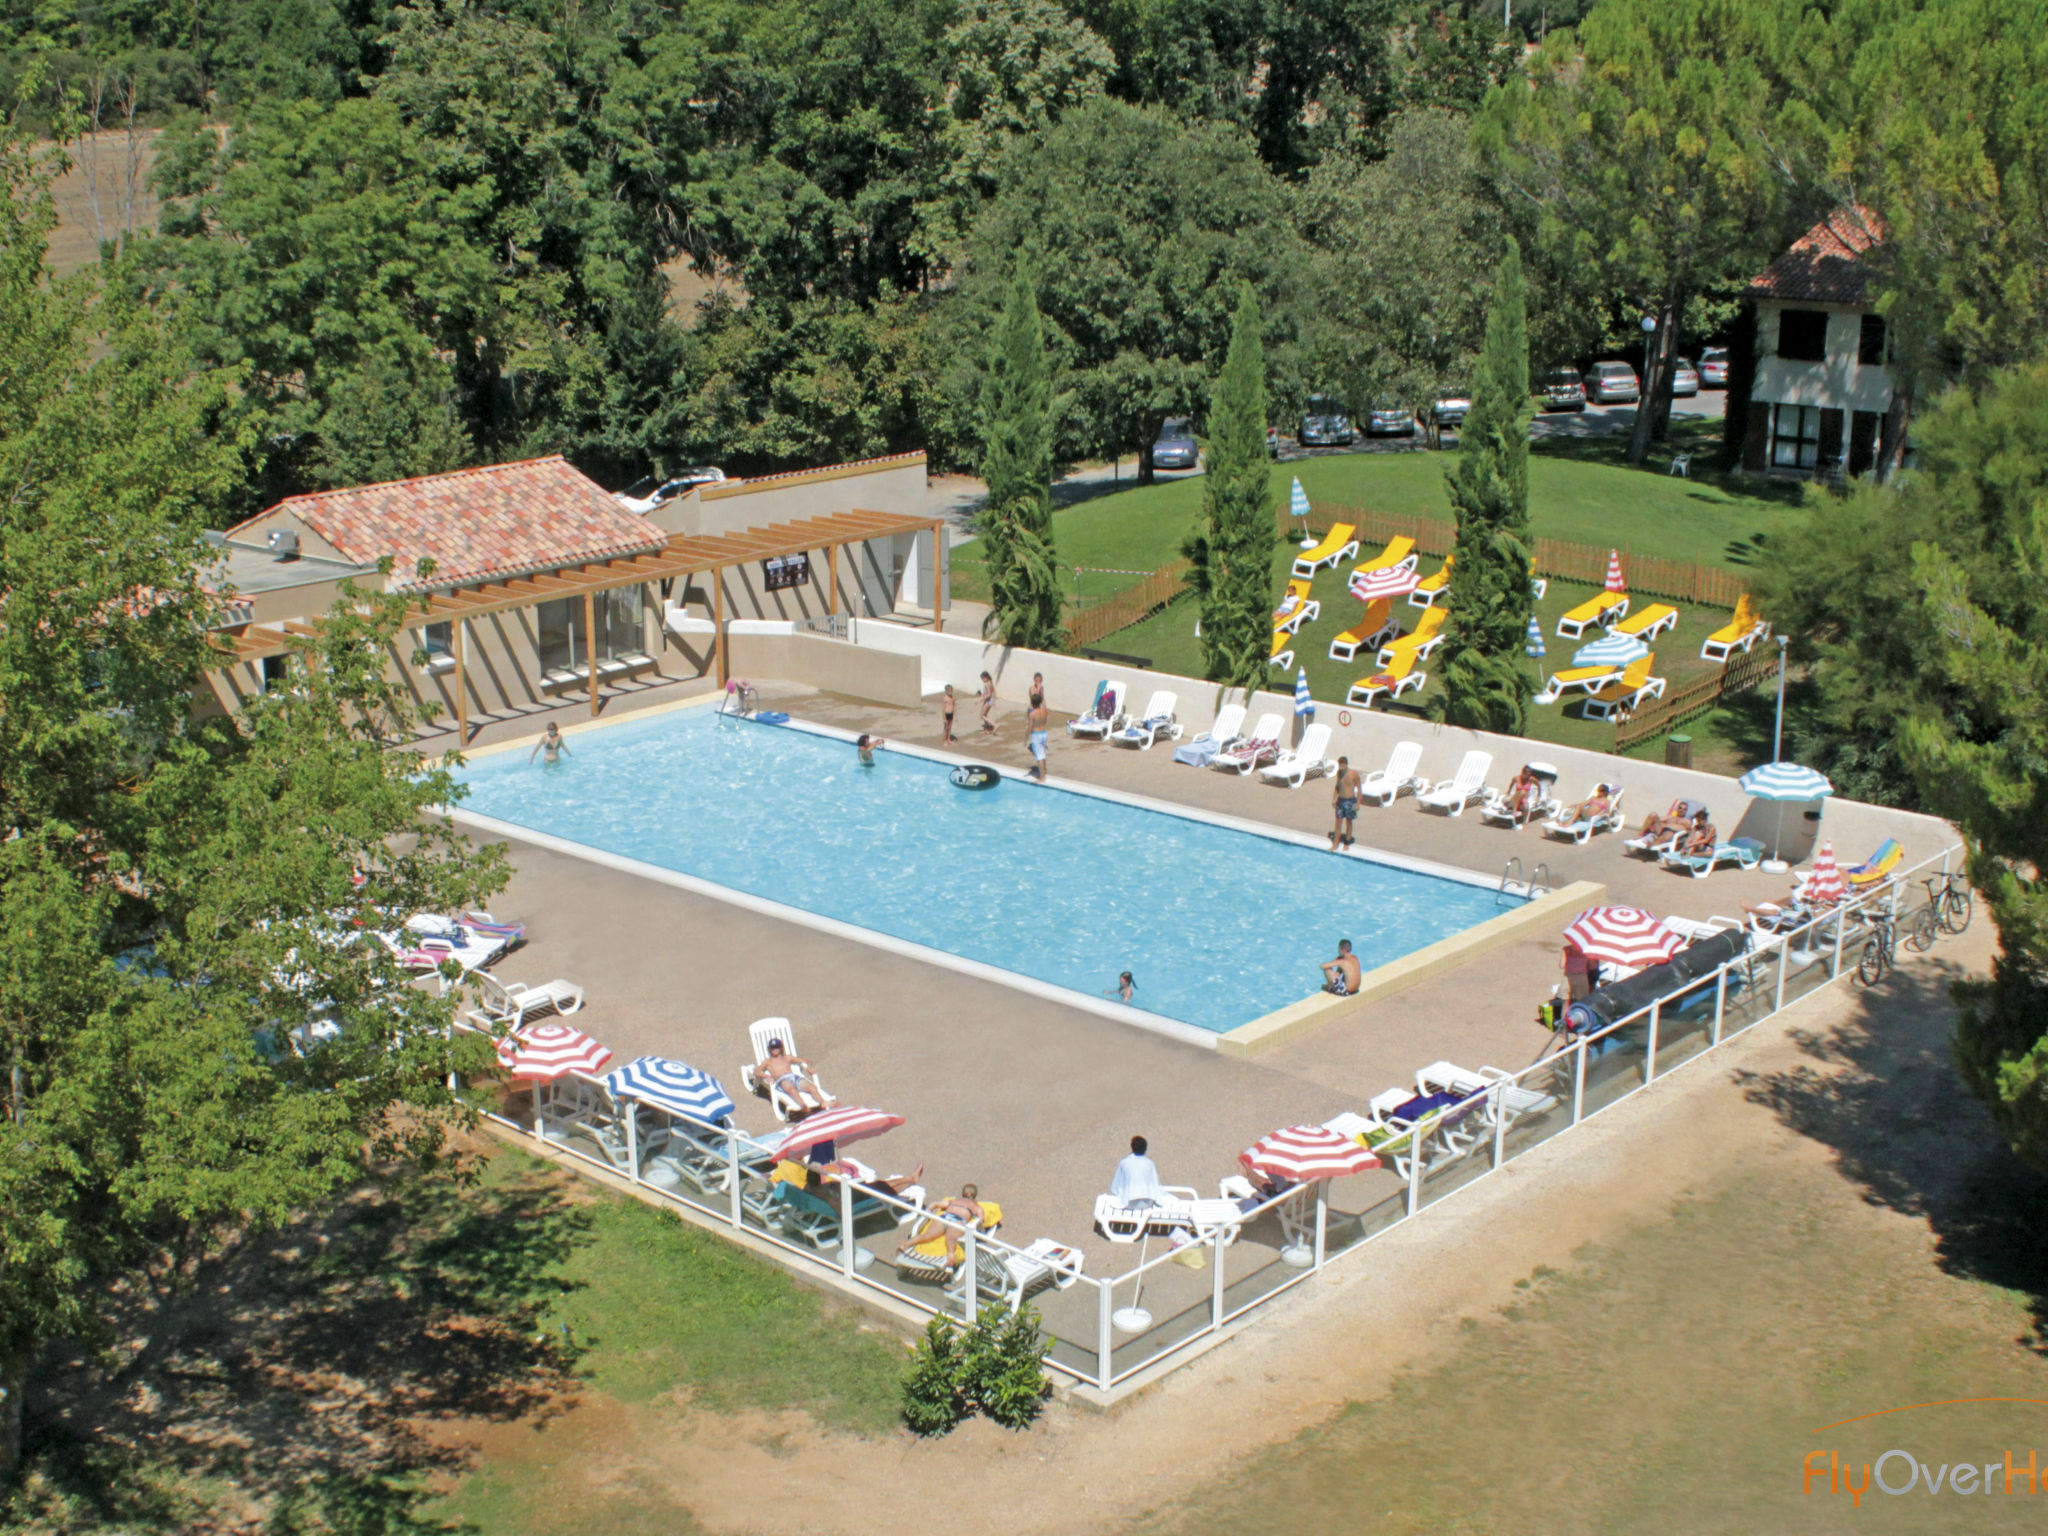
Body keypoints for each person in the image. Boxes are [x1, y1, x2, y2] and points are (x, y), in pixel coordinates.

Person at [897, 1183, 987, 1267]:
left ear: (963, 1193)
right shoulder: (976, 1206)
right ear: (975, 1195)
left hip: (944, 1217)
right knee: (951, 1238)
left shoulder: (954, 1201)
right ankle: (951, 1254)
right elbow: (980, 1220)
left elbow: (935, 1204)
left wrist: (928, 1211)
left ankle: (906, 1244)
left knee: (927, 1235)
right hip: (958, 1221)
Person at [752, 1037, 828, 1112]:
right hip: (782, 1080)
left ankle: (823, 1103)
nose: (775, 1049)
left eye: (777, 1047)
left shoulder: (787, 1057)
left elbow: (807, 1060)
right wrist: (767, 1076)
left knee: (812, 1087)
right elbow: (756, 1071)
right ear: (770, 1049)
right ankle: (804, 1106)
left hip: (794, 1077)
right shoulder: (768, 1062)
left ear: (781, 1048)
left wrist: (809, 1067)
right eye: (773, 1047)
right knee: (791, 1088)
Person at [1109, 1135, 1164, 1210]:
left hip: (1129, 1202)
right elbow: (1155, 1184)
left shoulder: (1124, 1162)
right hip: (1147, 1203)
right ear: (1145, 1148)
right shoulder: (1149, 1163)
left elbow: (1116, 1186)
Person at [1328, 756, 1362, 850]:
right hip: (1340, 801)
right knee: (1338, 823)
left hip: (1350, 801)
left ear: (1346, 765)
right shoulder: (1339, 773)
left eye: (1343, 766)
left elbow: (1359, 788)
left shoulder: (1353, 774)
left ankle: (1346, 843)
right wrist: (1334, 798)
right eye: (1340, 766)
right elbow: (1337, 786)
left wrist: (1358, 802)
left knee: (1348, 822)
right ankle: (1335, 844)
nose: (1341, 768)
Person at [1027, 691, 1050, 781]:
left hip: (1036, 735)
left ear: (1032, 703)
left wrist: (1026, 737)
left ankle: (1042, 777)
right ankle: (1044, 770)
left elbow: (1030, 726)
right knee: (1042, 753)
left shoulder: (1032, 713)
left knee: (1039, 756)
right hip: (1044, 733)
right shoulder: (1045, 710)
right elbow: (1045, 721)